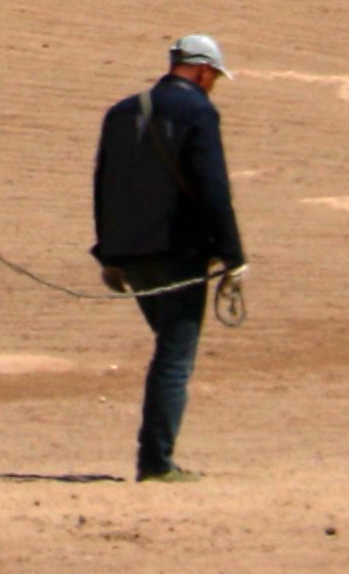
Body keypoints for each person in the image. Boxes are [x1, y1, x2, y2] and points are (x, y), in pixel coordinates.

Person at [93, 33, 246, 482]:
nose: (213, 83)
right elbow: (213, 187)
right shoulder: (198, 110)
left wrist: (109, 253)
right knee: (175, 357)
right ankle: (156, 462)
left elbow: (105, 185)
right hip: (179, 254)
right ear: (202, 71)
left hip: (130, 254)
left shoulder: (121, 113)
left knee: (169, 349)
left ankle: (157, 457)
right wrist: (233, 255)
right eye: (214, 76)